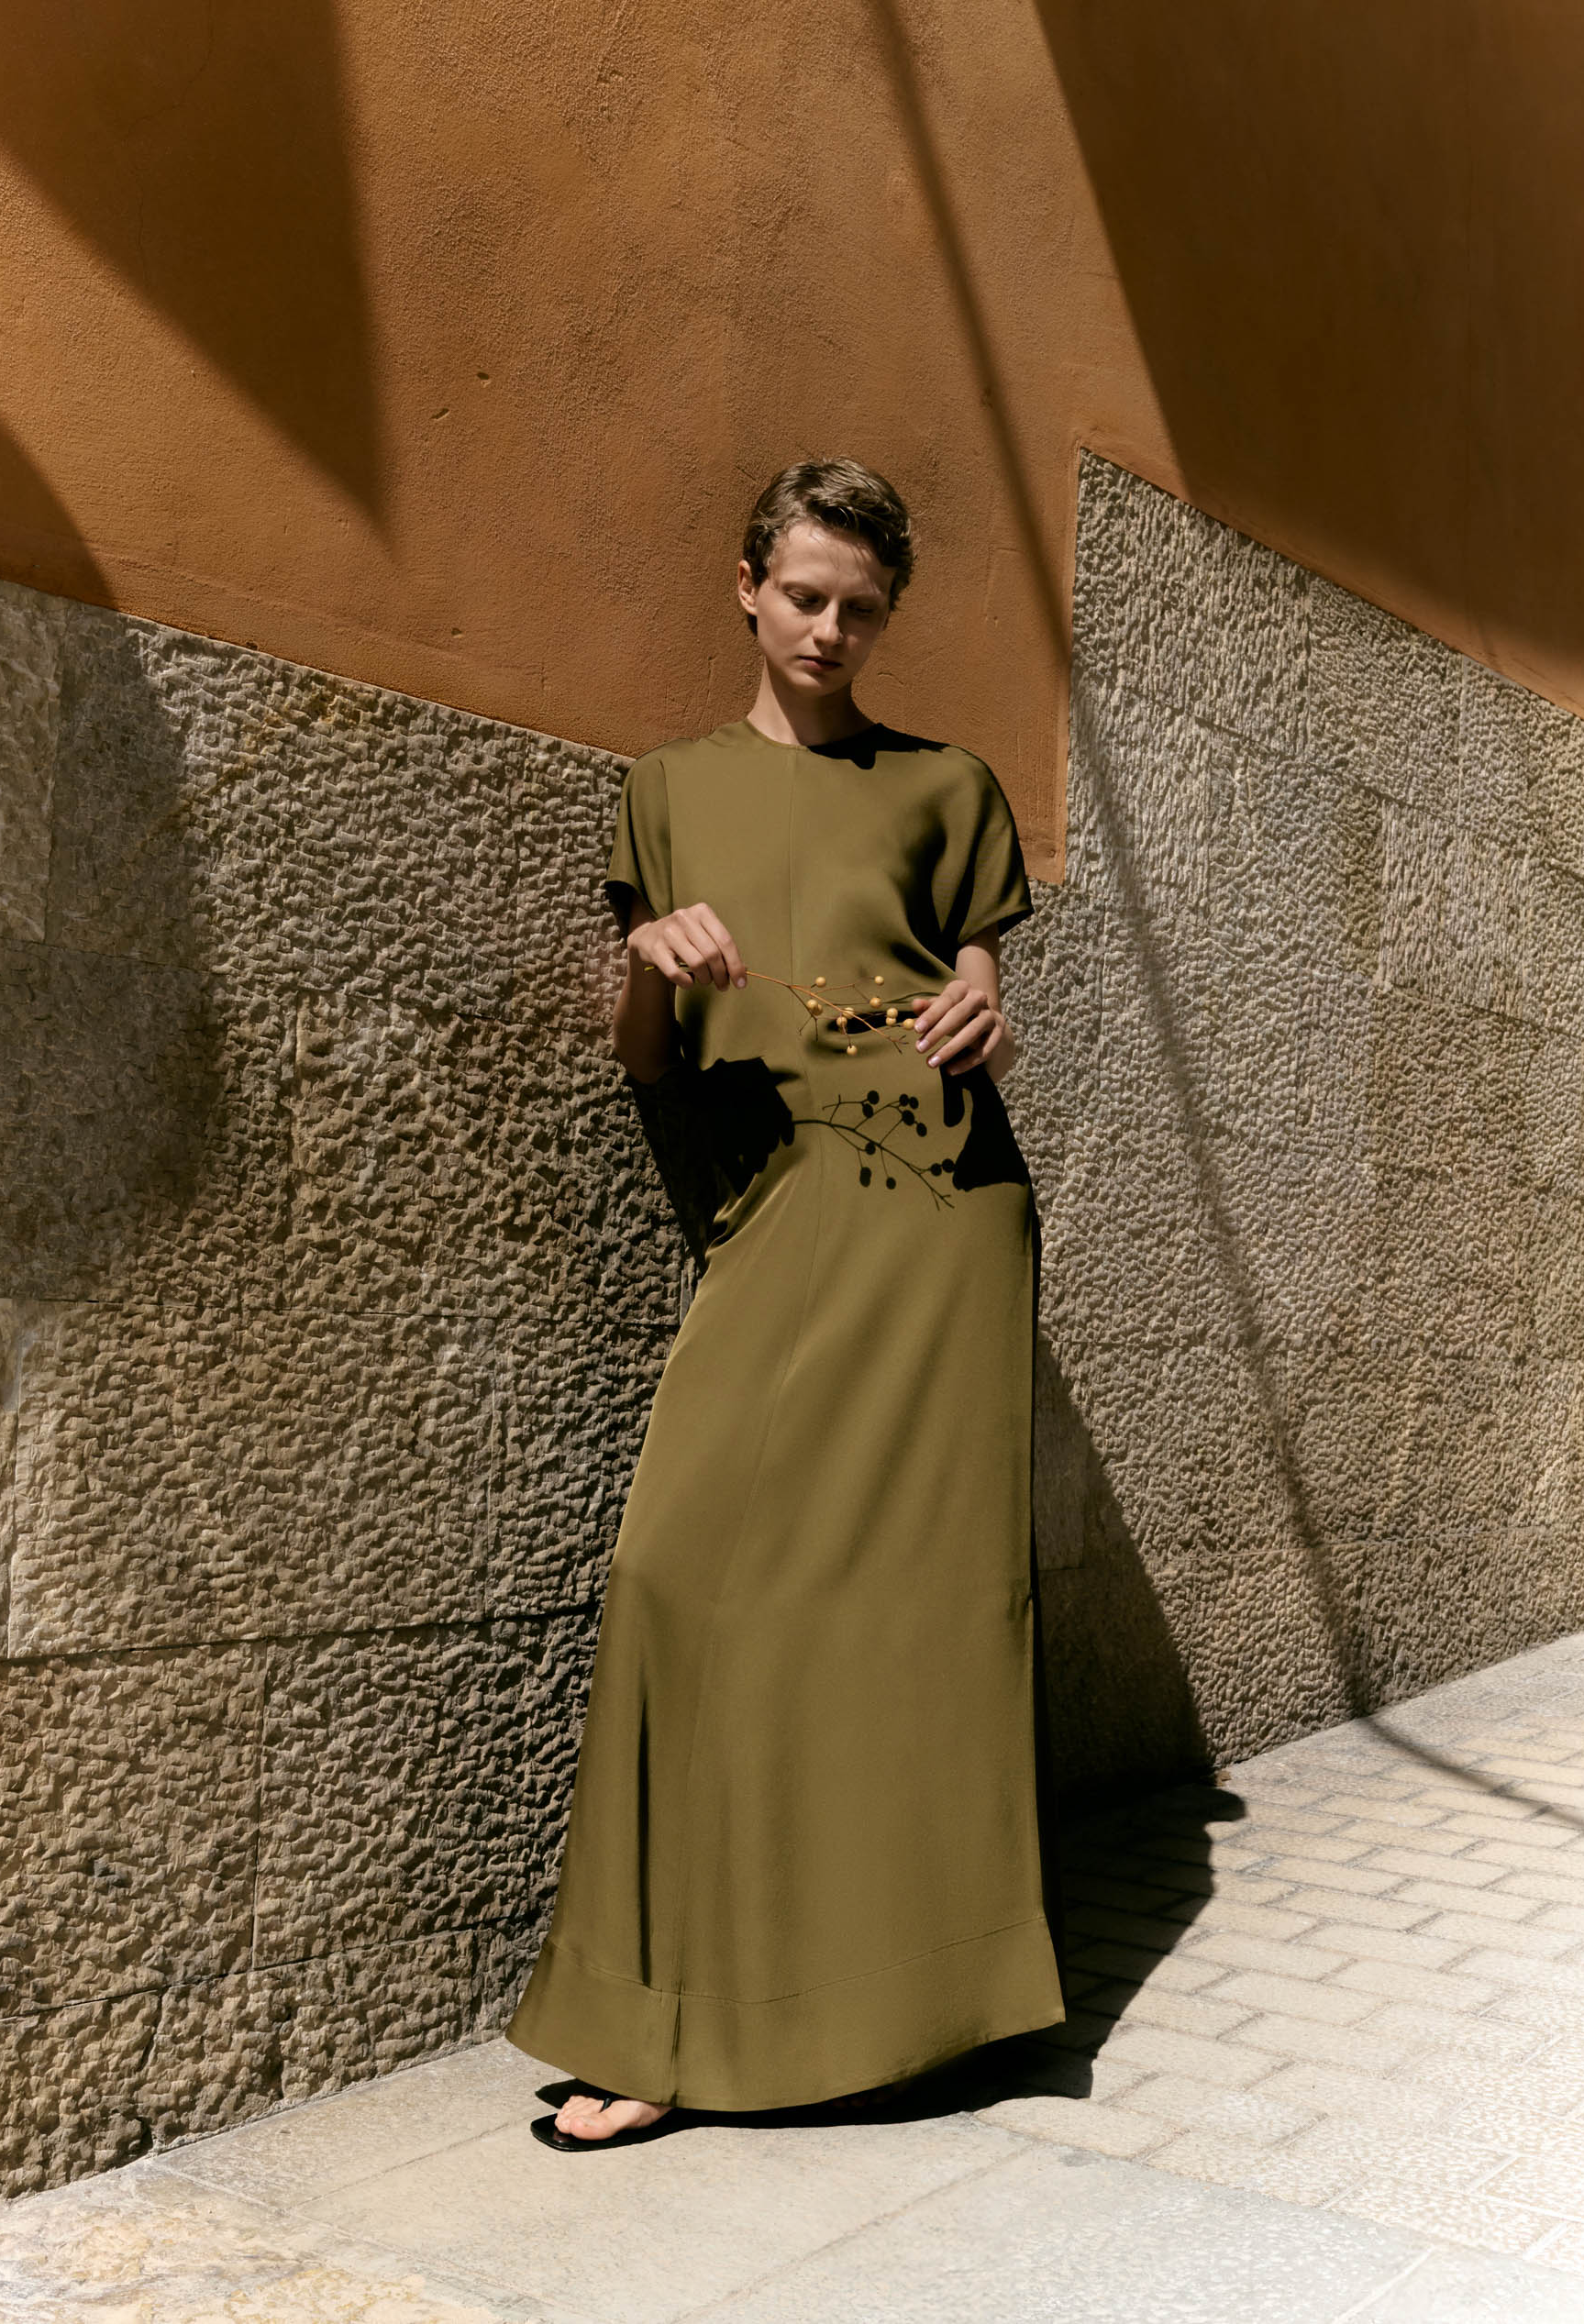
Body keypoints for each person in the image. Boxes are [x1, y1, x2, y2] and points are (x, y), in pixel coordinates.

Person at [507, 458, 1064, 2148]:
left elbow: (976, 980)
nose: (830, 628)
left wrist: (984, 1006)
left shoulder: (947, 784)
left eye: (862, 605)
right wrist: (647, 976)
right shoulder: (666, 789)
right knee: (682, 1574)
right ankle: (665, 2019)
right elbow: (648, 1069)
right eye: (805, 592)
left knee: (918, 1615)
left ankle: (921, 2007)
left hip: (945, 1222)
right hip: (775, 1205)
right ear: (745, 584)